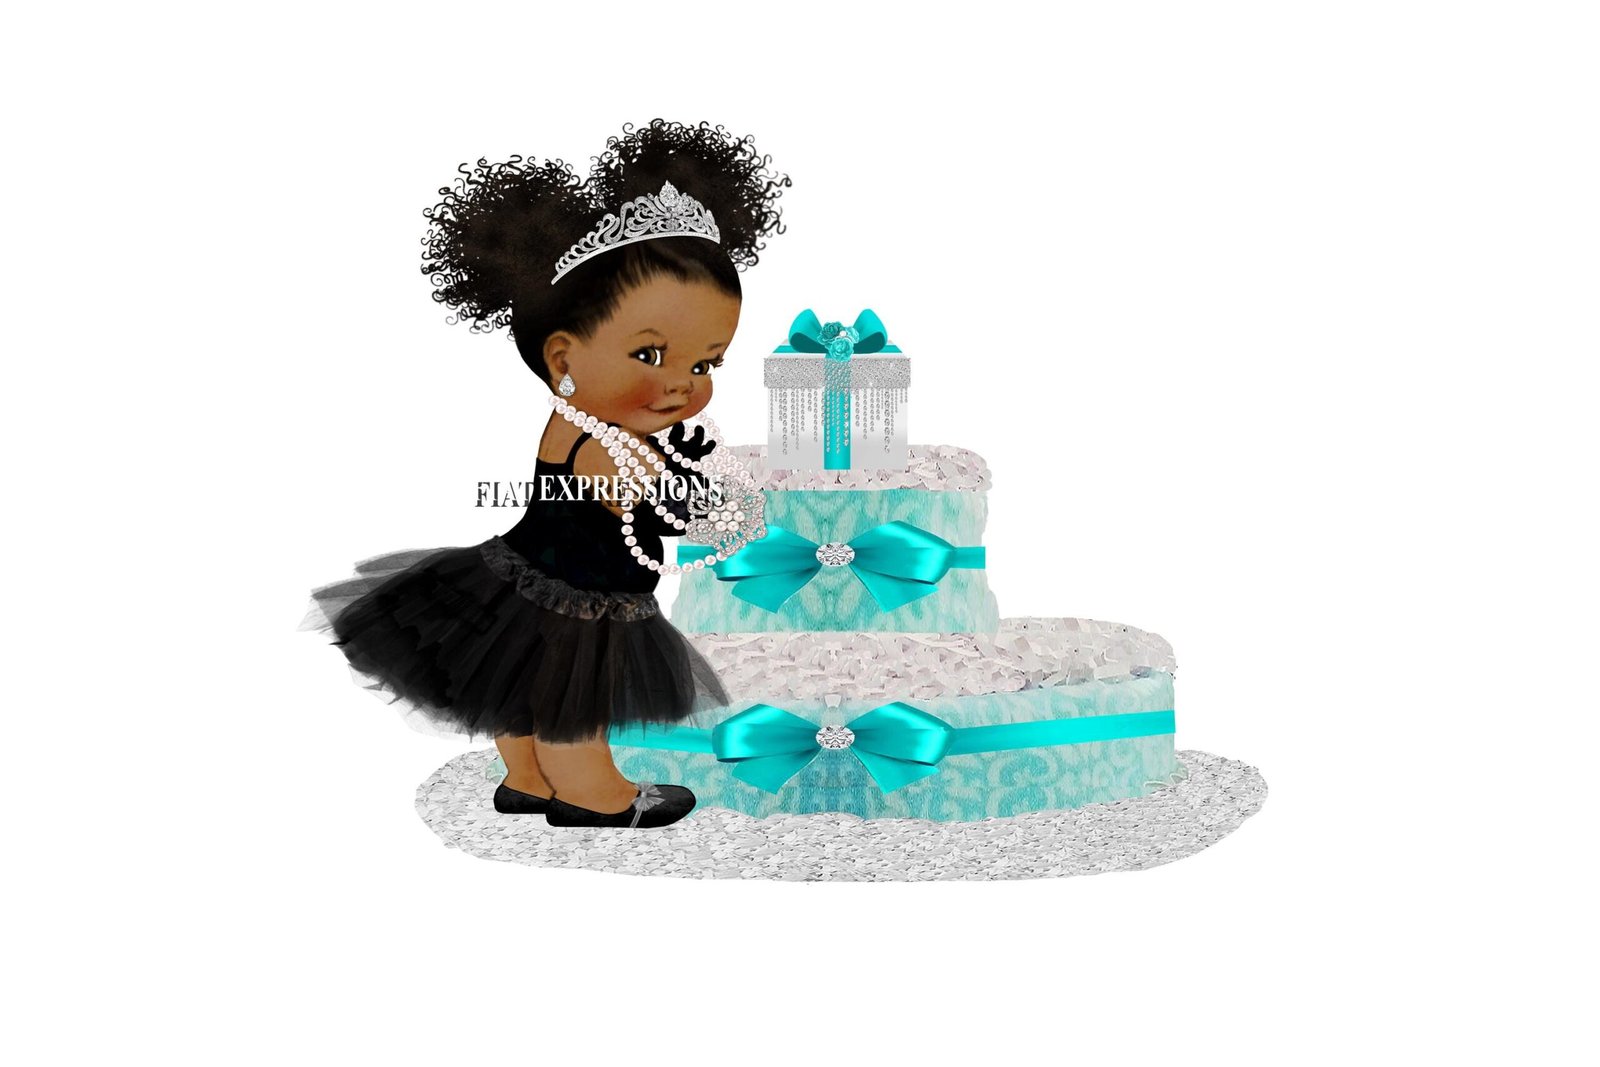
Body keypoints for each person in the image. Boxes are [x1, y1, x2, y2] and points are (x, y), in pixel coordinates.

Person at [302, 119, 790, 828]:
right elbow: (660, 510)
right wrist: (703, 496)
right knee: (572, 699)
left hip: (524, 578)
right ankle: (591, 792)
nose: (683, 384)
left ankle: (526, 778)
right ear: (563, 359)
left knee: (518, 687)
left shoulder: (590, 425)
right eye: (651, 356)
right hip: (579, 601)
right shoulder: (599, 446)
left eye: (705, 362)